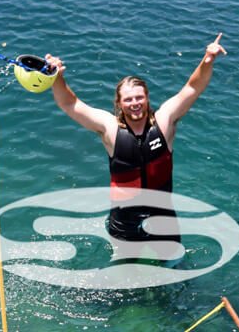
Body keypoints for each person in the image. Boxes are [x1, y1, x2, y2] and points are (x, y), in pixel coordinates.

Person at [44, 34, 226, 244]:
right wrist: (57, 77)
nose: (135, 103)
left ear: (147, 98)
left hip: (163, 218)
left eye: (139, 97)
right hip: (124, 222)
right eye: (128, 99)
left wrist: (207, 60)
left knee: (175, 268)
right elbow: (70, 104)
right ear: (120, 103)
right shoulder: (109, 129)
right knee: (125, 272)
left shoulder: (164, 122)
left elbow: (192, 88)